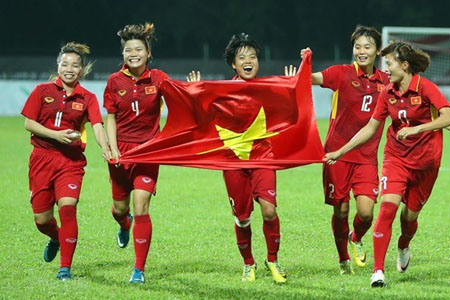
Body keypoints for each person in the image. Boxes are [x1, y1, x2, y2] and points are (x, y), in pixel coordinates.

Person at [324, 41, 450, 287]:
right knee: (386, 209)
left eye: (390, 63)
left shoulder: (425, 88)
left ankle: (404, 244)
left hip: (426, 163)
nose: (386, 68)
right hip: (396, 158)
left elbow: (449, 115)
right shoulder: (387, 92)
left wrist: (420, 128)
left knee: (409, 217)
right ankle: (378, 271)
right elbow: (371, 127)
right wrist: (341, 151)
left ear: (404, 66)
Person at [187, 33, 289, 283]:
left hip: (263, 158)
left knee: (268, 210)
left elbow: (291, 110)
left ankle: (273, 261)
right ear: (233, 64)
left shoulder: (268, 89)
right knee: (243, 218)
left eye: (253, 57)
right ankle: (248, 264)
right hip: (232, 162)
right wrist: (195, 95)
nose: (248, 61)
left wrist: (291, 86)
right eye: (242, 57)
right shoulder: (222, 92)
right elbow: (201, 119)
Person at [297, 26, 389, 275]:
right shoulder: (342, 73)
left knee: (366, 213)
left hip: (367, 158)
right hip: (336, 156)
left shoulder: (386, 82)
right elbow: (310, 79)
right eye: (357, 46)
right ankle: (343, 258)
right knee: (342, 209)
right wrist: (305, 64)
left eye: (367, 46)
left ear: (377, 51)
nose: (361, 51)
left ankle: (356, 237)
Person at [21, 42, 111, 281]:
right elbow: (29, 123)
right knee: (42, 220)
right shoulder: (42, 90)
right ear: (58, 66)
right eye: (65, 64)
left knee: (68, 207)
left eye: (75, 65)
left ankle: (65, 269)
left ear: (82, 70)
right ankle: (55, 237)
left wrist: (107, 148)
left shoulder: (88, 97)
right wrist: (56, 135)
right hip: (41, 159)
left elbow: (98, 127)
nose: (69, 69)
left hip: (70, 162)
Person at [103, 22, 170, 284]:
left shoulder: (159, 78)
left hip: (148, 151)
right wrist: (112, 147)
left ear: (148, 53)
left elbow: (181, 98)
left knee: (141, 205)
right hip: (121, 152)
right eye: (128, 49)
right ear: (123, 54)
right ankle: (123, 223)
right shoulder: (114, 81)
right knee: (120, 208)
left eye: (139, 49)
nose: (134, 53)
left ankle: (139, 269)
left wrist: (194, 87)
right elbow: (110, 117)